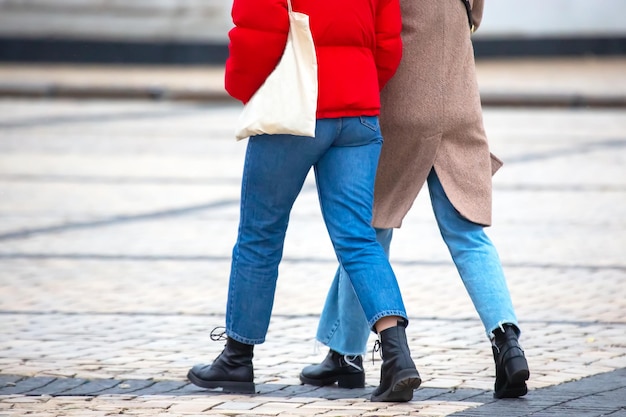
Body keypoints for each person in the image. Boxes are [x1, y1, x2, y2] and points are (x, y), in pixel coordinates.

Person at [186, 0, 422, 403]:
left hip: (295, 112)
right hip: (359, 110)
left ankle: (237, 358)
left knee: (260, 235)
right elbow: (388, 44)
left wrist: (249, 92)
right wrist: (360, 84)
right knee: (359, 239)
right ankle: (397, 356)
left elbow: (254, 35)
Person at [298, 0, 531, 400]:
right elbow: (475, 13)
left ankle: (347, 355)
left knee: (369, 232)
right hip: (459, 99)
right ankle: (507, 343)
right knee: (468, 235)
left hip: (403, 99)